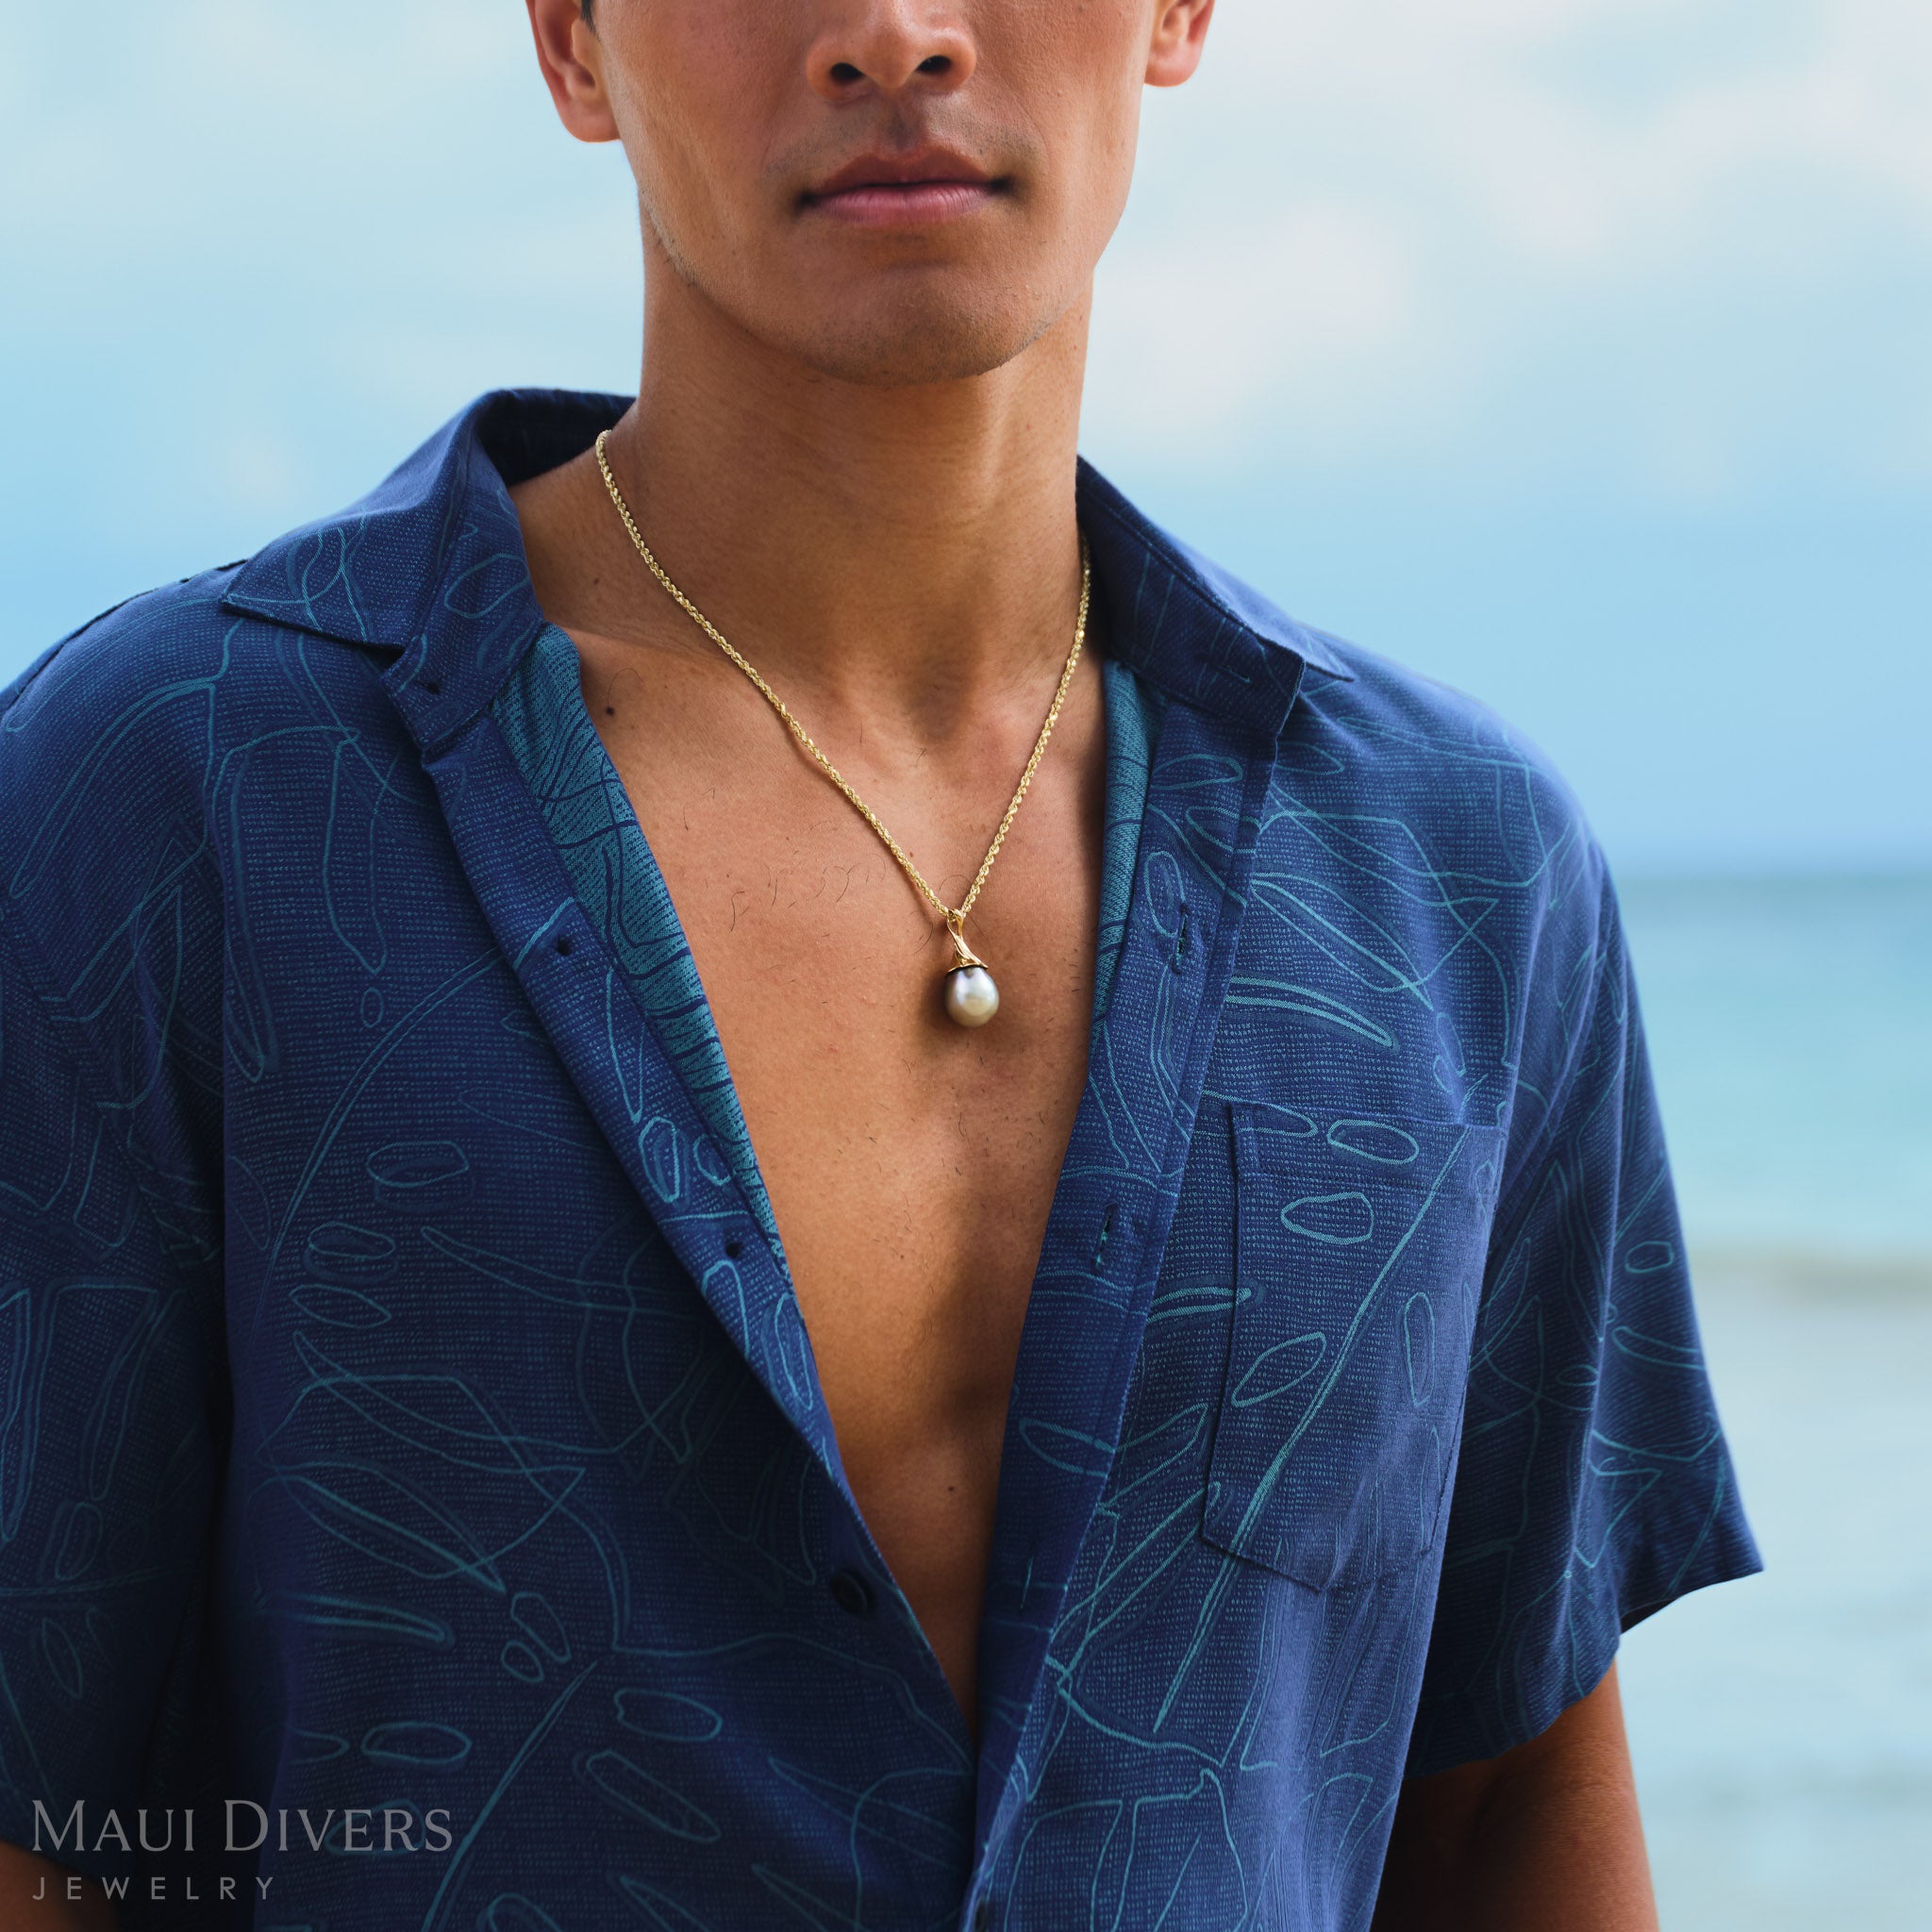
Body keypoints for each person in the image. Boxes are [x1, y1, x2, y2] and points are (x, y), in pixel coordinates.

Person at [0, 2, 1764, 1926]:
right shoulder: (183, 802)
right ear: (574, 46)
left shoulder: (1450, 877)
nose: (894, 32)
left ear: (1178, 13)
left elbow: (1504, 1802)